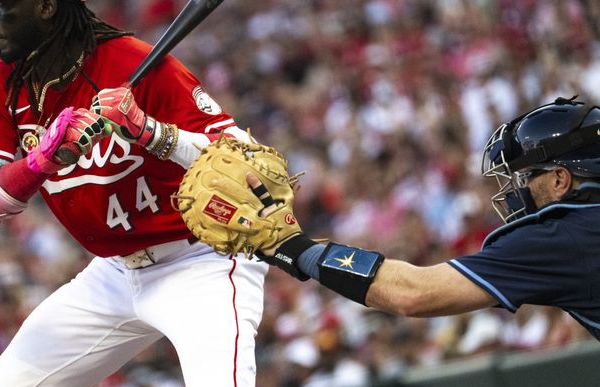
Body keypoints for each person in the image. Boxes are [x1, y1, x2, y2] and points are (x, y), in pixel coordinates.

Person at [0, 0, 290, 387]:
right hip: (113, 276)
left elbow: (247, 160)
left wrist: (150, 131)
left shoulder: (134, 62)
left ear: (47, 6)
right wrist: (41, 161)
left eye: (2, 5)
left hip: (199, 260)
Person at [250, 97, 600, 341]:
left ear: (559, 180)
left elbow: (414, 293)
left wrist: (295, 249)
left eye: (525, 178)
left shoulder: (561, 235)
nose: (516, 190)